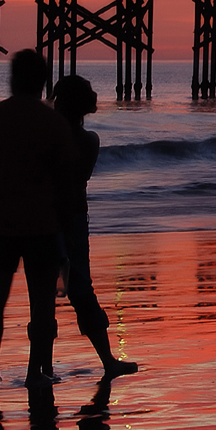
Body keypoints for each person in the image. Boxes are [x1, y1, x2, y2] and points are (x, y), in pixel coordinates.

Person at [0, 49, 76, 389]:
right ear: (43, 82)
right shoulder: (53, 122)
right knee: (41, 304)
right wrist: (66, 231)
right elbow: (67, 183)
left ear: (12, 79)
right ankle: (33, 373)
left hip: (1, 223)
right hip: (43, 225)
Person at [52, 74, 138, 379]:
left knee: (44, 293)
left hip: (48, 218)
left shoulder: (51, 140)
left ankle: (41, 367)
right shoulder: (90, 140)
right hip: (74, 218)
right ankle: (107, 360)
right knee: (80, 289)